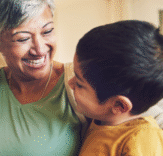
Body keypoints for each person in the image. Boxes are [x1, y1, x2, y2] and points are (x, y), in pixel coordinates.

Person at [0, 0, 163, 155]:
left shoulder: (86, 80)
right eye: (22, 38)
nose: (39, 49)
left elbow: (142, 114)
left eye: (47, 31)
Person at [69, 20, 163, 155]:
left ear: (119, 105)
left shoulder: (142, 140)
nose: (70, 83)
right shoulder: (101, 120)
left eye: (79, 84)